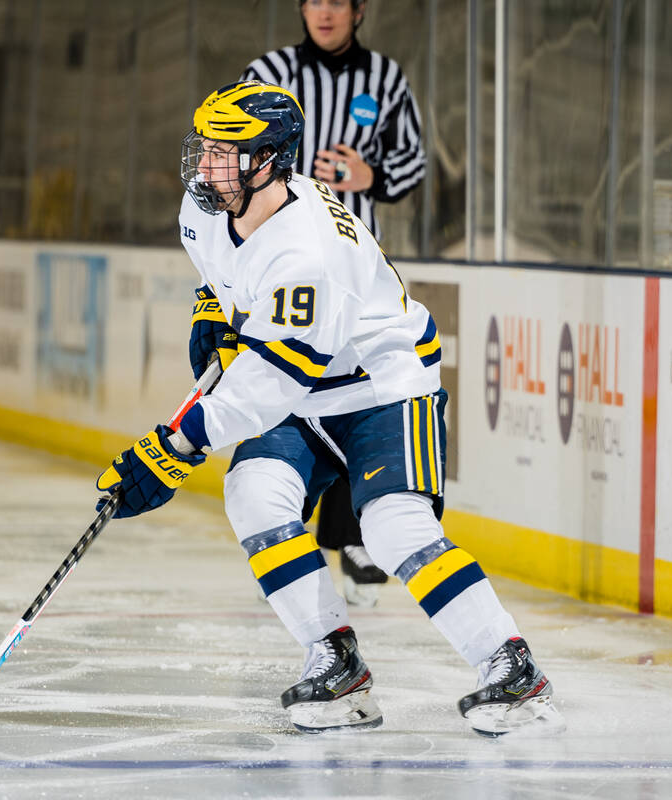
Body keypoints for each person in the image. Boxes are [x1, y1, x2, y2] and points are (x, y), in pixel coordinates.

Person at [95, 81, 563, 737]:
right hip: (307, 383)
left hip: (383, 386)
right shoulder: (207, 204)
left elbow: (268, 385)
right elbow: (220, 272)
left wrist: (178, 445)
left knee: (394, 527)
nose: (205, 167)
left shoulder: (308, 253)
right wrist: (211, 307)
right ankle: (335, 660)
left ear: (268, 161)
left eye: (223, 154)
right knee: (255, 495)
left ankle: (512, 669)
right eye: (202, 148)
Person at [241, 0, 427, 605]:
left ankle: (348, 533)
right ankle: (283, 528)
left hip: (352, 278)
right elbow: (231, 162)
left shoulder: (387, 80)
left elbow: (414, 163)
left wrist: (369, 176)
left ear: (358, 10)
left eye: (336, 1)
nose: (323, 11)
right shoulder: (266, 71)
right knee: (281, 390)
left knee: (356, 392)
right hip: (278, 273)